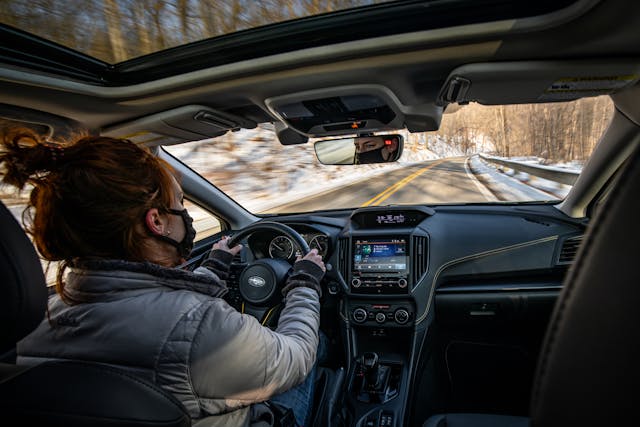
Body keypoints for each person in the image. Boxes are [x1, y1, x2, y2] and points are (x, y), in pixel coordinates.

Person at [0, 128, 325, 427]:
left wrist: (212, 270)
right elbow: (294, 356)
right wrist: (305, 284)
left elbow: (148, 308)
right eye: (180, 203)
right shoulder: (201, 329)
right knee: (317, 345)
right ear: (156, 221)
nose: (184, 213)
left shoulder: (37, 319)